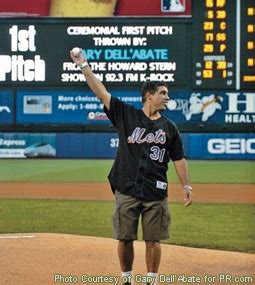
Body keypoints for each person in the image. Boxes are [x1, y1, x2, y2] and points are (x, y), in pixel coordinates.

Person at [70, 48, 193, 285]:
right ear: (149, 95)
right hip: (126, 188)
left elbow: (178, 158)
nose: (168, 97)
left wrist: (186, 185)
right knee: (124, 238)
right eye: (163, 93)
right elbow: (101, 92)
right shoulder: (126, 115)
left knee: (153, 239)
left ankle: (151, 280)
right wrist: (83, 65)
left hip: (155, 191)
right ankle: (127, 278)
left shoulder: (170, 128)